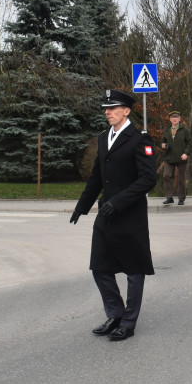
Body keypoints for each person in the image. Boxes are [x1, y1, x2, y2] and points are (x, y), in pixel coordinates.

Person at [70, 90, 157, 342]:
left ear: (126, 111)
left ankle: (129, 322)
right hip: (106, 214)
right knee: (100, 265)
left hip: (130, 215)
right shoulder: (103, 137)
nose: (107, 112)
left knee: (133, 269)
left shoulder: (140, 138)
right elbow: (98, 176)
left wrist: (118, 202)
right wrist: (81, 207)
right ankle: (115, 314)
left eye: (113, 108)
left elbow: (148, 179)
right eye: (105, 108)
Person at [160, 111, 192, 205]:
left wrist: (186, 153)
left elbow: (190, 143)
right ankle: (169, 197)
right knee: (166, 175)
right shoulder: (167, 129)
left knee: (181, 179)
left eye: (177, 117)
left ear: (179, 119)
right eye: (173, 117)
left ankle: (181, 198)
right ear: (170, 119)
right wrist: (163, 145)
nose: (175, 119)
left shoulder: (184, 130)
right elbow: (163, 141)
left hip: (181, 158)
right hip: (169, 158)